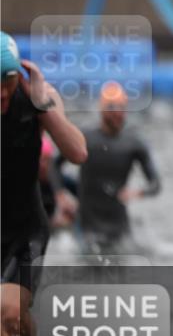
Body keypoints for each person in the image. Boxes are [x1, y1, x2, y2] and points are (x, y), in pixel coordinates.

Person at [1, 31, 88, 336]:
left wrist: (44, 108)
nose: (1, 92)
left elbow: (78, 152)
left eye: (6, 80)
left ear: (19, 75)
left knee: (10, 312)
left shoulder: (38, 97)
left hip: (25, 228)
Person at [55, 81, 161, 256]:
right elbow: (54, 165)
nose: (118, 113)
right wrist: (60, 195)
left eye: (121, 108)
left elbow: (155, 184)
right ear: (102, 110)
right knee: (86, 268)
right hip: (87, 223)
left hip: (118, 223)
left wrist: (137, 193)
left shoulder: (134, 144)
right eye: (112, 108)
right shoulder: (84, 139)